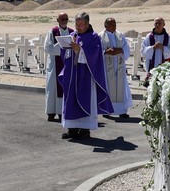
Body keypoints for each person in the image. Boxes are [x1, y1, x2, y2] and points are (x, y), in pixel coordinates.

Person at [60, 12, 114, 140]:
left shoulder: (94, 37)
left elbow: (95, 55)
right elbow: (65, 54)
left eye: (81, 25)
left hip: (86, 76)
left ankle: (85, 130)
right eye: (76, 24)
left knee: (86, 100)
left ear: (87, 24)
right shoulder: (72, 35)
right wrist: (66, 48)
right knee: (71, 100)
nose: (78, 27)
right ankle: (71, 129)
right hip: (72, 75)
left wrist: (79, 50)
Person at [43, 12, 74, 122]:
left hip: (67, 64)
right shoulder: (52, 32)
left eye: (66, 18)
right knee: (52, 88)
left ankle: (62, 112)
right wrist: (63, 46)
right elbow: (48, 48)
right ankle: (51, 112)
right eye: (62, 19)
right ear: (57, 20)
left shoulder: (72, 32)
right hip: (54, 65)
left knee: (65, 88)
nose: (64, 20)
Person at [100, 17, 131, 118]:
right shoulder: (100, 36)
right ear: (106, 25)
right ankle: (106, 110)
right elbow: (96, 51)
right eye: (111, 24)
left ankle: (121, 111)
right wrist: (105, 52)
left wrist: (121, 50)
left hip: (119, 66)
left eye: (115, 24)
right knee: (108, 88)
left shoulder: (120, 35)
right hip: (107, 67)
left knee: (120, 88)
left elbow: (126, 47)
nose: (114, 26)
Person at [140, 17, 170, 83]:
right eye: (156, 23)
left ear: (164, 25)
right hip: (151, 65)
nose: (157, 25)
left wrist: (163, 47)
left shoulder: (168, 38)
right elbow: (143, 51)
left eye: (159, 23)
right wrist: (153, 47)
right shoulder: (149, 37)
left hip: (164, 65)